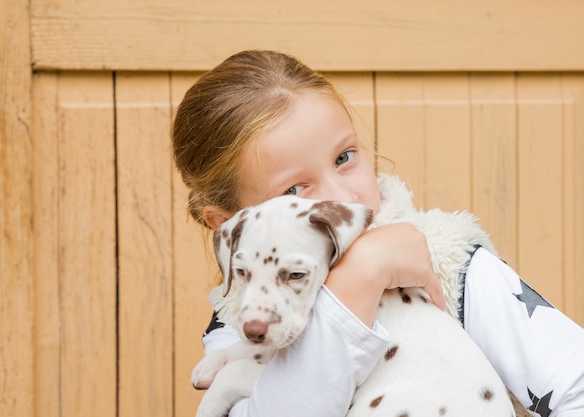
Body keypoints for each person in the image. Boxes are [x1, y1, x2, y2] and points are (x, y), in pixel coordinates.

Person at [172, 50, 584, 416]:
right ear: (227, 226)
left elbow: (576, 390)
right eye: (295, 191)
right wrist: (360, 279)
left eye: (344, 157)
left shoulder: (450, 264)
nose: (342, 198)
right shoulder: (239, 323)